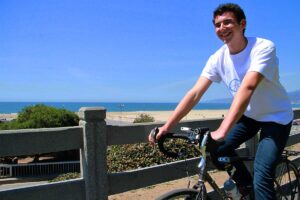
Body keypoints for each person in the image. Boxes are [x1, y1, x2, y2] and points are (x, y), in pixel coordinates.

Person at [148, 3, 293, 200]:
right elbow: (195, 93)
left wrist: (222, 131)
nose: (221, 28)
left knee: (263, 175)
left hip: (276, 117)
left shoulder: (263, 47)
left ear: (242, 24)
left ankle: (257, 188)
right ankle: (247, 189)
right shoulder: (217, 58)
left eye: (227, 22)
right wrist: (167, 126)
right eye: (217, 25)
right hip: (250, 116)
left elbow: (247, 88)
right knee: (217, 151)